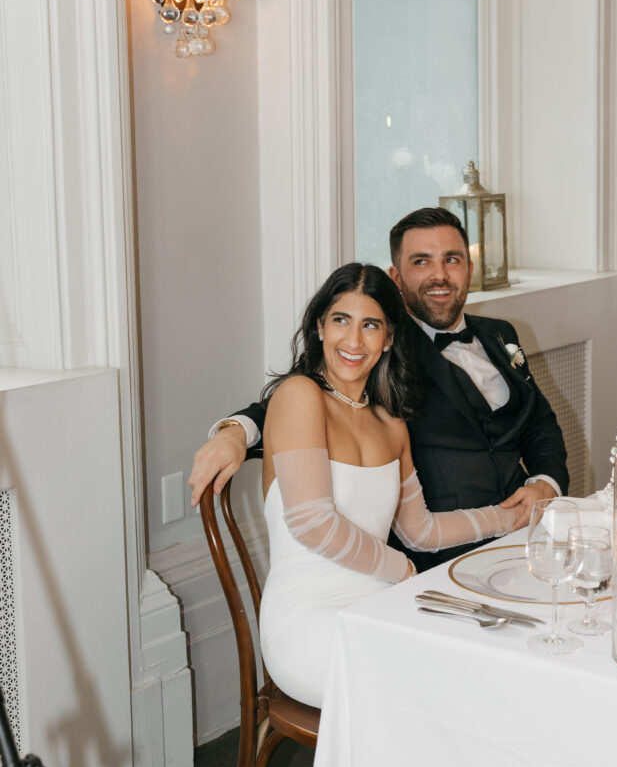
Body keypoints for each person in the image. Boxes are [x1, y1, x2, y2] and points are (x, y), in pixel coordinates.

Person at [190, 207, 569, 572]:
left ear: (469, 269)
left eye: (451, 260)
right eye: (421, 262)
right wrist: (236, 431)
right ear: (396, 277)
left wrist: (544, 483)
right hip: (438, 555)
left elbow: (539, 422)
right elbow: (308, 394)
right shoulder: (378, 349)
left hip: (524, 531)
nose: (439, 275)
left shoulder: (500, 333)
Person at [255, 262, 524, 707]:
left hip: (383, 604)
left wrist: (507, 517)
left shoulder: (390, 421)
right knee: (433, 689)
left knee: (490, 658)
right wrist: (402, 571)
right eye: (341, 320)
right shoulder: (299, 395)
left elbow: (420, 531)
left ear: (390, 338)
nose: (354, 341)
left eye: (371, 325)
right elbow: (311, 523)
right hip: (307, 618)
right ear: (320, 326)